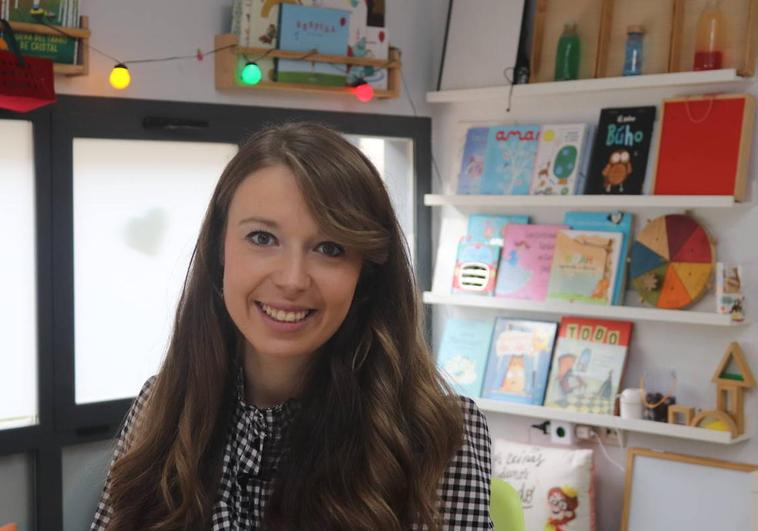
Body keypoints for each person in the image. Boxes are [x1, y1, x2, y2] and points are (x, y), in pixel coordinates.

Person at [90, 122, 493, 530]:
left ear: (366, 274)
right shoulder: (160, 407)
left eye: (330, 248)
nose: (292, 279)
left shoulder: (436, 436)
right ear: (219, 249)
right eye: (262, 238)